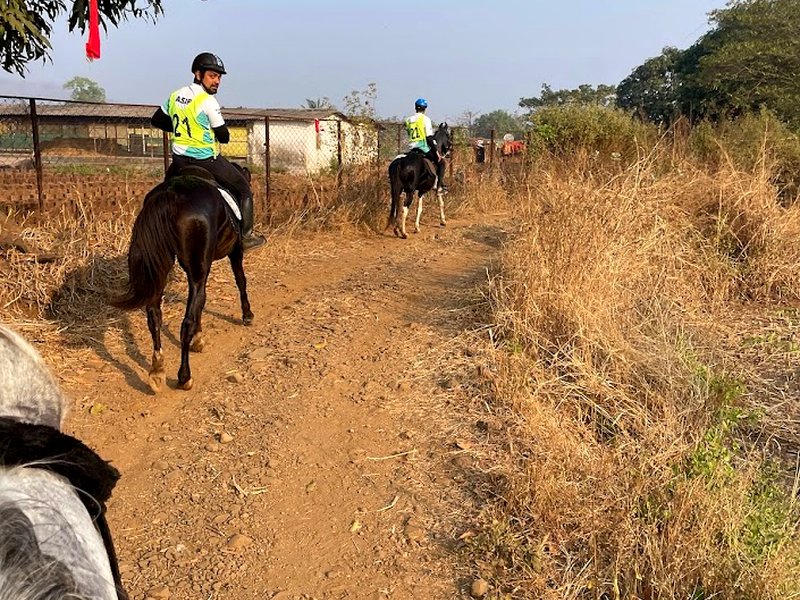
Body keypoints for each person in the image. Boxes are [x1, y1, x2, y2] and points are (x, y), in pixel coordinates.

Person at [150, 52, 265, 251]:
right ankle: (247, 237)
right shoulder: (208, 101)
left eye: (219, 77)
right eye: (212, 76)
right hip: (206, 161)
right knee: (244, 189)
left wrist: (182, 129)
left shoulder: (175, 95)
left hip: (179, 162)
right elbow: (223, 136)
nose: (217, 81)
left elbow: (157, 120)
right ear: (198, 74)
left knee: (160, 195)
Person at [404, 98, 447, 193]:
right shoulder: (425, 119)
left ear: (415, 108)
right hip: (422, 147)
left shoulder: (408, 120)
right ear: (425, 108)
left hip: (411, 147)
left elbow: (409, 133)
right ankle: (439, 187)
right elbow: (429, 138)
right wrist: (436, 151)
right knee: (441, 163)